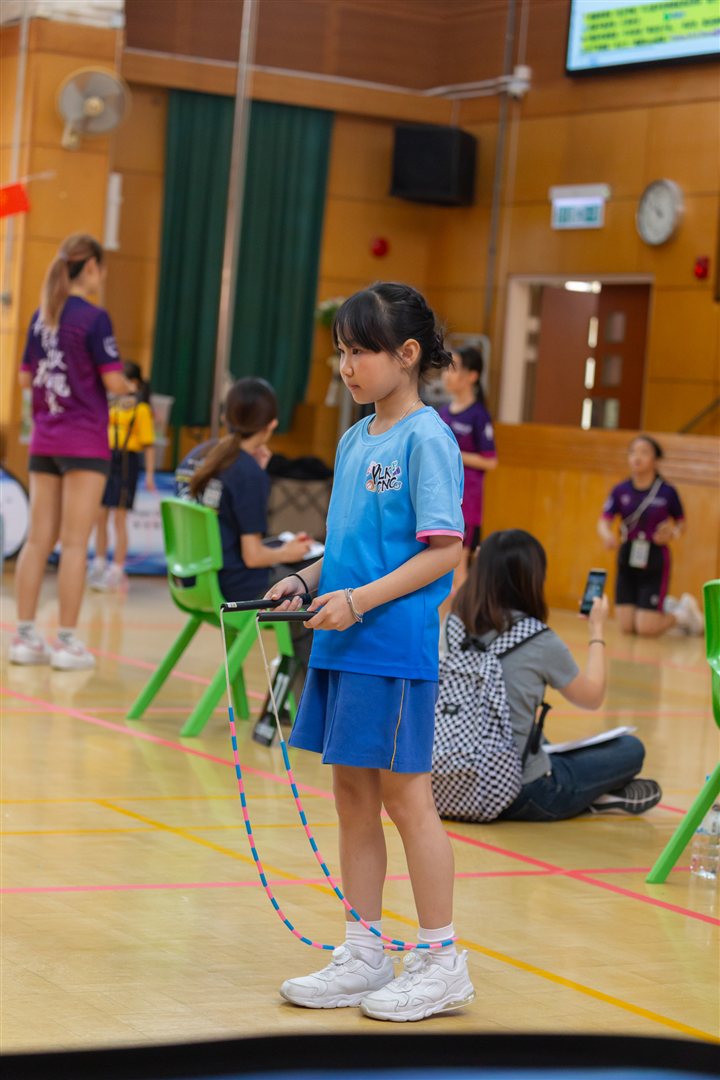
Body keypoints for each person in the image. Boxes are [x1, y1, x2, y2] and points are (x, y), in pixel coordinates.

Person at [268, 282, 475, 1023]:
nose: (347, 366)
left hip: (390, 645)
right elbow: (348, 548)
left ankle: (442, 960)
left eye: (361, 351)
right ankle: (364, 952)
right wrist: (305, 579)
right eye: (341, 351)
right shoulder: (356, 439)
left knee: (405, 799)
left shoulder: (428, 440)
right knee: (352, 797)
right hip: (341, 643)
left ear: (407, 354)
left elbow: (444, 551)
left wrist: (358, 602)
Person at [449, 529, 662, 822]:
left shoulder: (453, 625)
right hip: (514, 792)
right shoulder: (537, 638)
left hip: (448, 780)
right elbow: (591, 697)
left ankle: (592, 794)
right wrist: (597, 629)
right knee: (630, 749)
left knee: (534, 734)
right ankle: (593, 797)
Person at [10, 233, 128, 671]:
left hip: (45, 439)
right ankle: (66, 643)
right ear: (91, 267)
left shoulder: (41, 316)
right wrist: (129, 388)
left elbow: (25, 379)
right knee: (75, 544)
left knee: (38, 539)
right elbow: (113, 381)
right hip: (83, 443)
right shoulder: (94, 318)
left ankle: (25, 638)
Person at [175, 377, 314, 602]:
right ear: (272, 424)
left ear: (225, 417)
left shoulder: (195, 455)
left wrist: (257, 472)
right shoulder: (247, 473)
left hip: (188, 580)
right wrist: (288, 553)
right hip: (229, 587)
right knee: (314, 579)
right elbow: (253, 557)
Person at [597, 434, 703, 637]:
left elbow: (681, 524)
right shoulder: (620, 490)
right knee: (627, 627)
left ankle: (683, 615)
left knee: (646, 629)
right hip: (627, 554)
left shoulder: (667, 492)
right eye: (633, 452)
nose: (637, 457)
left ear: (655, 460)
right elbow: (604, 521)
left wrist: (672, 533)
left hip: (654, 557)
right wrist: (607, 535)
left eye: (644, 452)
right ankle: (665, 606)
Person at [89, 361, 156, 591]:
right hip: (106, 458)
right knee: (100, 515)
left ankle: (116, 569)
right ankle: (98, 563)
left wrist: (149, 475)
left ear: (134, 383)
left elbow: (149, 445)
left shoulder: (141, 409)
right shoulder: (111, 405)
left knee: (119, 518)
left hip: (127, 461)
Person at [438, 345, 497, 608]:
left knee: (459, 564)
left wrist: (455, 453)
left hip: (466, 504)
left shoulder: (478, 415)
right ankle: (443, 625)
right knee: (437, 563)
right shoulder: (441, 412)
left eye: (454, 368)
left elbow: (490, 460)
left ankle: (461, 623)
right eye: (446, 368)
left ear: (472, 376)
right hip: (440, 497)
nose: (446, 374)